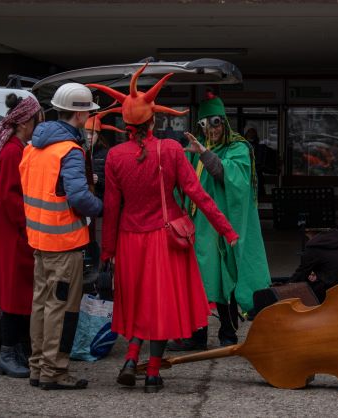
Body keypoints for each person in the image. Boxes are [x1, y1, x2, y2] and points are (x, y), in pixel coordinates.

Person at [88, 63, 238, 393]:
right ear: (153, 119)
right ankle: (152, 372)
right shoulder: (170, 150)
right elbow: (197, 194)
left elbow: (111, 210)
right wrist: (227, 230)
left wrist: (107, 254)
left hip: (129, 239)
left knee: (139, 302)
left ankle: (130, 357)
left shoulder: (114, 156)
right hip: (164, 239)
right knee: (159, 305)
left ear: (126, 123)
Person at [168, 92, 271, 350]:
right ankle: (198, 335)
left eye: (214, 122)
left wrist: (203, 152)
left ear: (223, 121)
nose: (209, 129)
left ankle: (228, 333)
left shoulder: (238, 147)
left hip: (228, 224)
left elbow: (231, 177)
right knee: (202, 279)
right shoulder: (196, 148)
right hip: (200, 227)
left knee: (228, 277)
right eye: (203, 124)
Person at [19, 82, 103, 390]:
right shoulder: (70, 150)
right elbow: (79, 197)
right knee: (61, 308)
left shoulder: (33, 148)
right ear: (79, 116)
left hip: (39, 242)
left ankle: (38, 366)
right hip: (65, 245)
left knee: (40, 305)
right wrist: (100, 207)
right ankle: (54, 372)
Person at [0, 93, 42, 379]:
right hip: (14, 233)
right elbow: (11, 196)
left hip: (9, 232)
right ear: (27, 120)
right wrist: (32, 225)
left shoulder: (11, 147)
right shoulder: (13, 152)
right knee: (14, 294)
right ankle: (8, 353)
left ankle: (14, 350)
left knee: (15, 293)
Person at [289, 228, 338, 302]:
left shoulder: (313, 246)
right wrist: (318, 275)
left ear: (308, 231)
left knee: (303, 289)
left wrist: (287, 286)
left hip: (334, 290)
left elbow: (302, 273)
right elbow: (335, 265)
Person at [84, 110, 123, 200]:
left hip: (99, 201)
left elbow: (114, 185)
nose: (89, 137)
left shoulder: (107, 154)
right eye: (86, 133)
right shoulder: (77, 151)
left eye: (92, 133)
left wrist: (98, 181)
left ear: (98, 136)